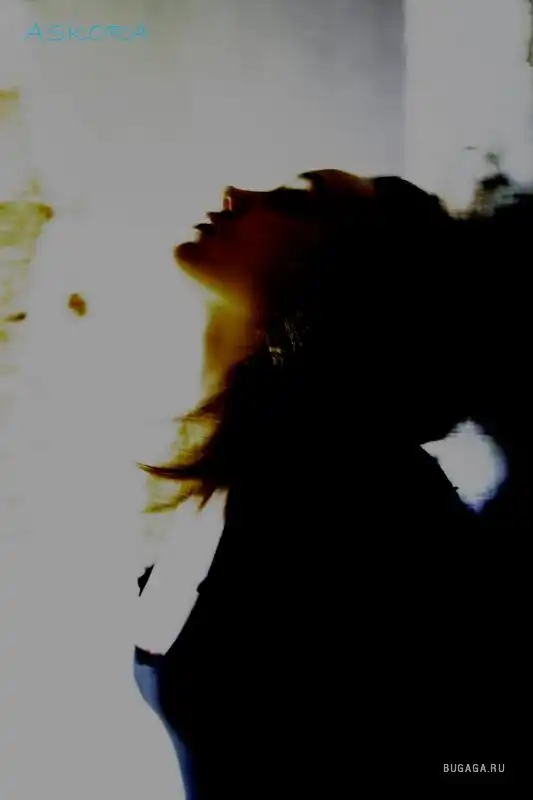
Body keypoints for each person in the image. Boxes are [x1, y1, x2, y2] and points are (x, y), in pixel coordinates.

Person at [135, 170, 517, 795]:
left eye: (295, 202)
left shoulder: (364, 498)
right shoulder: (257, 466)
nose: (237, 193)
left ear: (345, 278)